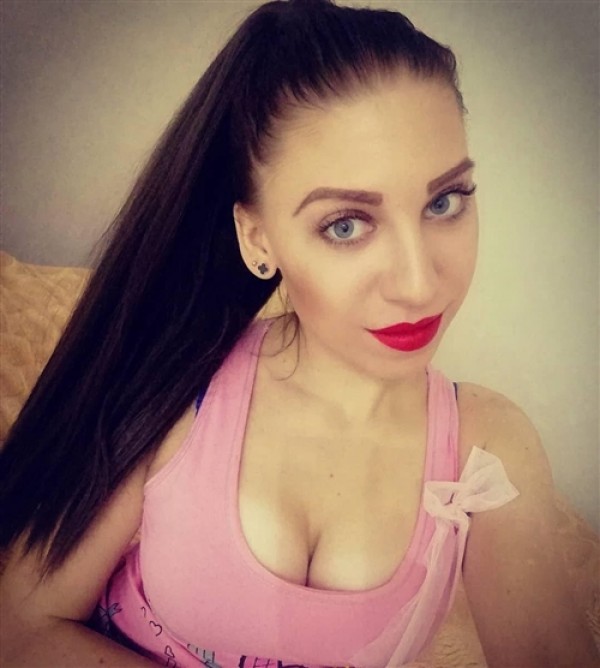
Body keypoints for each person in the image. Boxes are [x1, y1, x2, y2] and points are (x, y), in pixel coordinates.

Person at [0, 1, 597, 666]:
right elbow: (22, 628)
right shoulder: (178, 379)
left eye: (443, 202)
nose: (419, 283)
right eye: (345, 224)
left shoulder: (486, 446)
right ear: (258, 239)